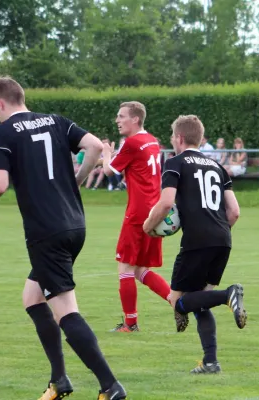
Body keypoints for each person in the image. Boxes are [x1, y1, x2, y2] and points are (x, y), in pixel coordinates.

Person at [0, 76, 127, 400]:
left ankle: (110, 386)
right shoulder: (56, 121)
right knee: (32, 298)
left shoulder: (2, 132)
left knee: (65, 311)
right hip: (74, 225)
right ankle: (59, 380)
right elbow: (95, 147)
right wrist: (77, 179)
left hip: (45, 231)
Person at [143, 115, 246, 374]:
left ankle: (228, 295)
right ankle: (211, 362)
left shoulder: (175, 163)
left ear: (179, 138)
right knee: (200, 302)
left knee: (177, 301)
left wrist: (147, 226)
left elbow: (166, 203)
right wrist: (216, 230)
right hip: (223, 239)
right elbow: (234, 212)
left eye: (171, 137)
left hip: (196, 241)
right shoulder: (217, 166)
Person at [102, 101, 172, 332]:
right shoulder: (152, 140)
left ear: (135, 119)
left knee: (125, 268)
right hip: (155, 209)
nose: (117, 120)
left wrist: (106, 152)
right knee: (140, 270)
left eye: (121, 116)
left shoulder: (132, 143)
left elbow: (108, 170)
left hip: (138, 212)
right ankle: (176, 301)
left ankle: (130, 324)